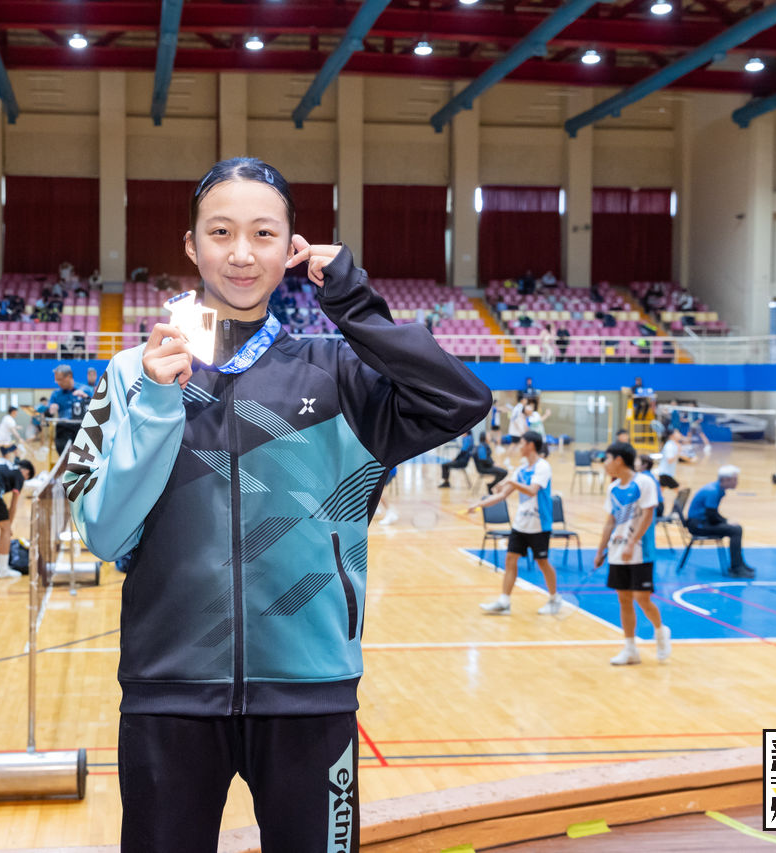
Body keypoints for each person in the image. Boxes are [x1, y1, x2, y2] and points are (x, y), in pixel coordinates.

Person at [62, 157, 490, 852]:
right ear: (191, 246)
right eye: (220, 232)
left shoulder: (339, 372)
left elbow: (460, 400)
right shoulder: (133, 374)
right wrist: (159, 404)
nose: (240, 253)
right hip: (169, 692)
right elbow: (105, 534)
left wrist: (352, 302)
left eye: (263, 233)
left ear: (292, 248)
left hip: (311, 692)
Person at [468, 431, 561, 616]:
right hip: (521, 524)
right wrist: (480, 504)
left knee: (542, 562)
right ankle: (504, 602)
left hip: (539, 525)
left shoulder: (542, 467)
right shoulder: (522, 469)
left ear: (531, 445)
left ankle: (554, 599)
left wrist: (511, 481)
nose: (519, 447)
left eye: (522, 443)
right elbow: (502, 495)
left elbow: (532, 490)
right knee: (510, 559)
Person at [595, 442, 669, 666]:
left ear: (619, 460)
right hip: (617, 551)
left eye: (607, 459)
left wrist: (632, 543)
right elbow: (610, 521)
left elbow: (648, 515)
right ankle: (630, 650)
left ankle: (660, 631)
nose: (605, 464)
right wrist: (600, 550)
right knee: (624, 599)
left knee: (641, 598)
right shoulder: (613, 488)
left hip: (640, 552)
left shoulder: (644, 482)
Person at [687, 465, 753, 578]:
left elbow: (712, 514)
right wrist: (726, 521)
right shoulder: (713, 491)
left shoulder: (717, 489)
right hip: (698, 525)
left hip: (702, 522)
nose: (737, 482)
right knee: (736, 530)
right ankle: (737, 568)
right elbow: (712, 516)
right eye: (735, 479)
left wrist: (725, 521)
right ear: (726, 480)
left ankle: (739, 564)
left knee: (736, 529)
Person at [48, 365, 93, 454]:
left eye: (60, 379)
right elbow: (49, 413)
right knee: (63, 452)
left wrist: (86, 397)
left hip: (82, 427)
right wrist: (51, 409)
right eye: (56, 380)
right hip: (64, 427)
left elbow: (97, 409)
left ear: (69, 376)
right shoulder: (56, 394)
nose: (58, 383)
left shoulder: (86, 390)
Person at [656, 427, 681, 492]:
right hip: (665, 473)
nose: (679, 434)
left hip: (666, 472)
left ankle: (658, 499)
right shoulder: (669, 446)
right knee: (678, 490)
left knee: (661, 490)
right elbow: (669, 460)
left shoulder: (673, 444)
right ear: (672, 436)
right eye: (677, 433)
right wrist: (678, 452)